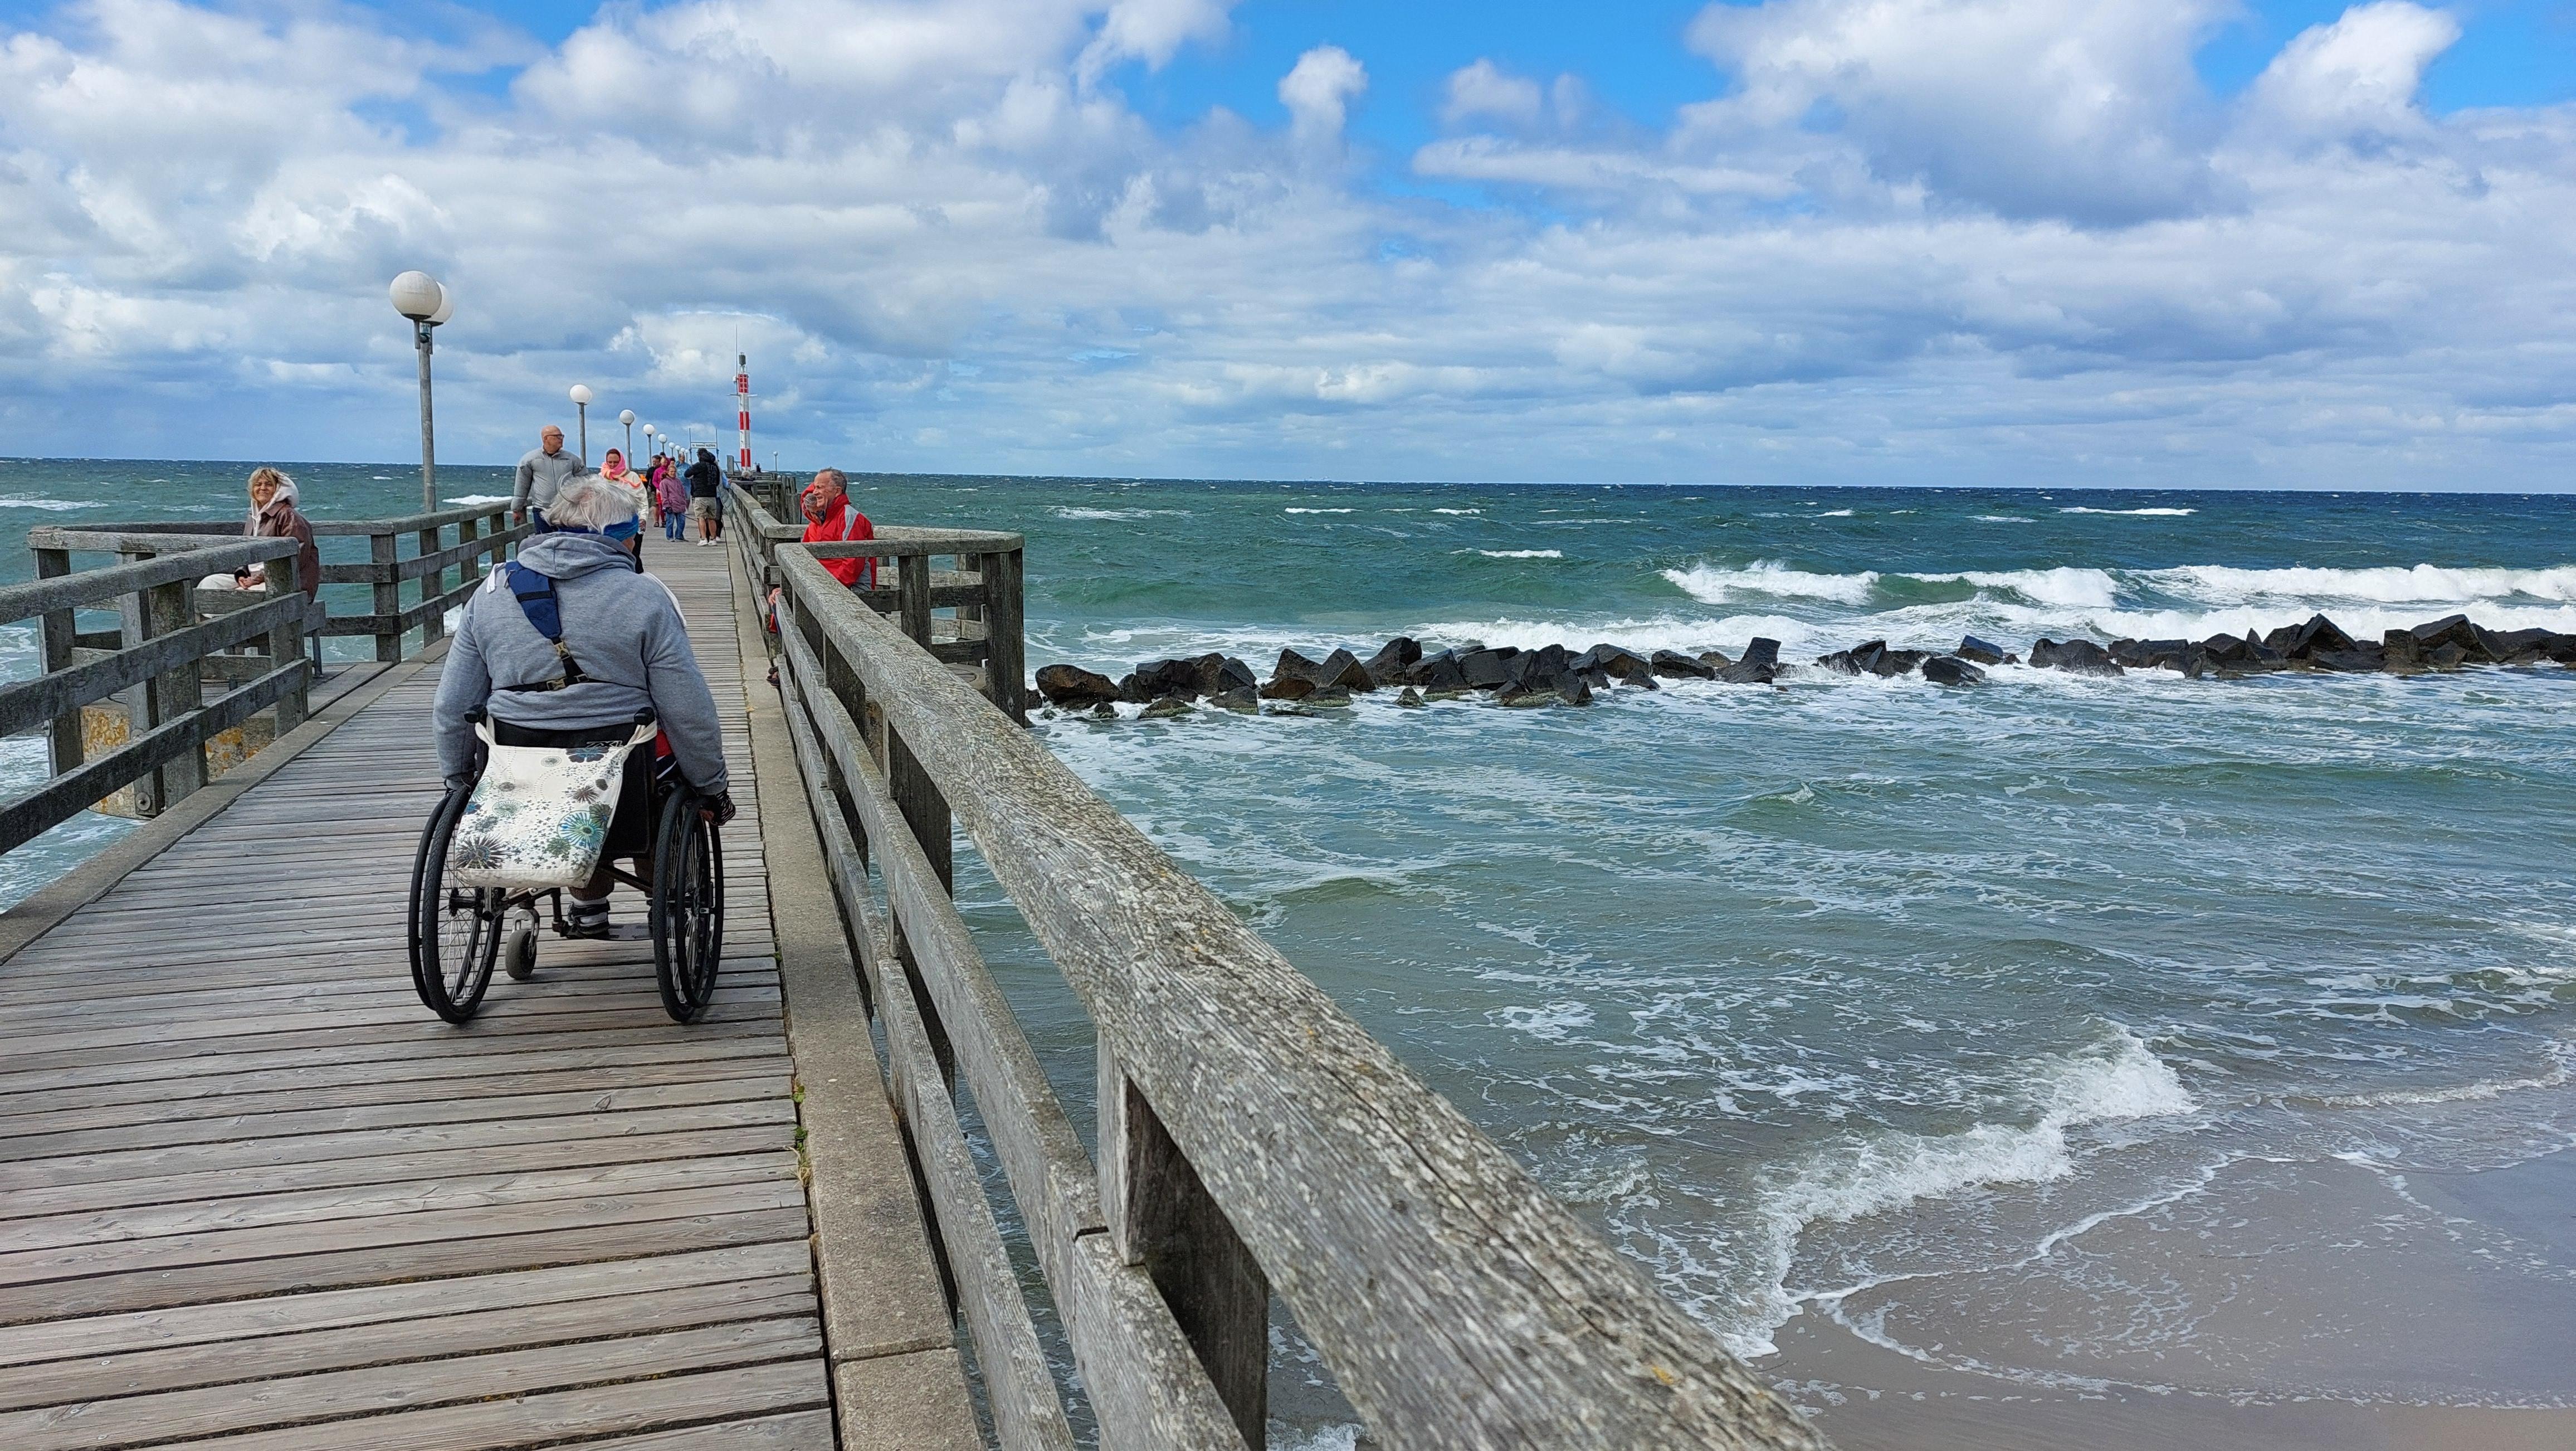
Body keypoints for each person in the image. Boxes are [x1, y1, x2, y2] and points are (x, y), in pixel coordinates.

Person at [432, 475, 735, 938]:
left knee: (553, 769)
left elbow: (455, 703)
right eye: (635, 530)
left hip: (517, 758)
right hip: (622, 763)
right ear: (620, 536)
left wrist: (457, 778)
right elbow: (686, 707)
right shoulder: (645, 596)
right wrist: (712, 785)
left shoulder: (491, 593)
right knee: (670, 783)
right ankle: (666, 897)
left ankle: (587, 906)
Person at [764, 469, 875, 631]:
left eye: (820, 488)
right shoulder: (816, 523)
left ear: (837, 491)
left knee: (793, 610)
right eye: (814, 488)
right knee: (778, 599)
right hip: (821, 586)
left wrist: (817, 589)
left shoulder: (851, 518)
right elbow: (802, 562)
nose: (814, 492)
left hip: (848, 589)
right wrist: (788, 587)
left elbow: (851, 568)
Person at [234, 466, 320, 597]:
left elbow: (296, 557)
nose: (263, 488)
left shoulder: (289, 516)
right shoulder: (253, 517)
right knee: (211, 583)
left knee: (239, 596)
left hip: (286, 582)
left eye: (269, 485)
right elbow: (244, 549)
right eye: (258, 484)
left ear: (278, 489)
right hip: (252, 578)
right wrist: (241, 574)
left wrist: (257, 579)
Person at [513, 425, 584, 528]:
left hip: (567, 510)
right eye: (557, 436)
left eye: (562, 436)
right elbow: (522, 486)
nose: (561, 439)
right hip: (542, 511)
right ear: (546, 438)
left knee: (567, 538)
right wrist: (516, 509)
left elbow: (585, 482)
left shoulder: (572, 460)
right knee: (544, 538)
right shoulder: (530, 460)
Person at [684, 448, 723, 545]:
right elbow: (718, 482)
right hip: (712, 496)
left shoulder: (698, 466)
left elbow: (687, 474)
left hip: (700, 495)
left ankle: (703, 539)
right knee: (712, 518)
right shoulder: (715, 467)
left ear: (699, 456)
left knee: (701, 517)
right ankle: (713, 539)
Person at [652, 456, 687, 541]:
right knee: (670, 522)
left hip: (680, 505)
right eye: (671, 471)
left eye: (674, 472)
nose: (673, 473)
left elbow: (683, 492)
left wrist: (684, 502)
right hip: (670, 505)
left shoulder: (678, 481)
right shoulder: (664, 482)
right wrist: (667, 505)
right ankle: (670, 536)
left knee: (682, 522)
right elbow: (664, 495)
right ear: (668, 472)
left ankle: (679, 536)